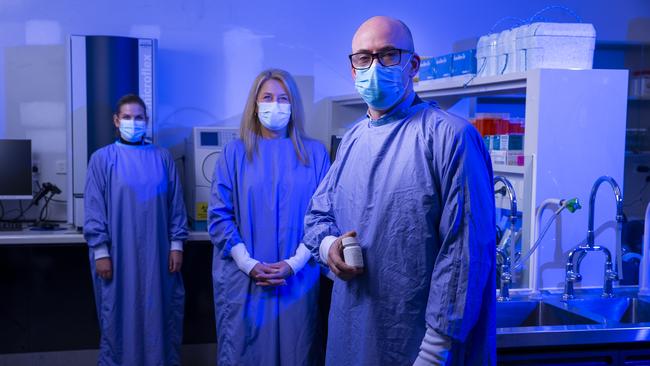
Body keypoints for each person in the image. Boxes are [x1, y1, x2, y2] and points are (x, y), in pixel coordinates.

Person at [303, 16, 496, 365]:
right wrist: (329, 246)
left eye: (388, 55)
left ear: (413, 64)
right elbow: (318, 215)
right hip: (353, 336)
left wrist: (434, 354)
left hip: (419, 347)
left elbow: (464, 254)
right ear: (352, 68)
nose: (375, 66)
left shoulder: (450, 137)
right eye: (364, 58)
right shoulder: (353, 139)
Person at [208, 69, 331, 366]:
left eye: (282, 98)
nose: (274, 105)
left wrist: (294, 263)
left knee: (296, 352)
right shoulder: (234, 153)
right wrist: (248, 264)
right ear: (255, 104)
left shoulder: (315, 154)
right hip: (246, 280)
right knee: (246, 353)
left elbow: (325, 215)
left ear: (293, 106)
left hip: (298, 279)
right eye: (267, 97)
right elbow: (220, 216)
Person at [84, 94, 188, 366]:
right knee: (118, 315)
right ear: (116, 121)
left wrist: (176, 245)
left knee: (160, 315)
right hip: (117, 256)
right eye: (127, 117)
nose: (133, 122)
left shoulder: (162, 158)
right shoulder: (102, 159)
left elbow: (176, 204)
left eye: (139, 117)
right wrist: (100, 252)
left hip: (159, 255)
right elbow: (94, 209)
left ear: (147, 121)